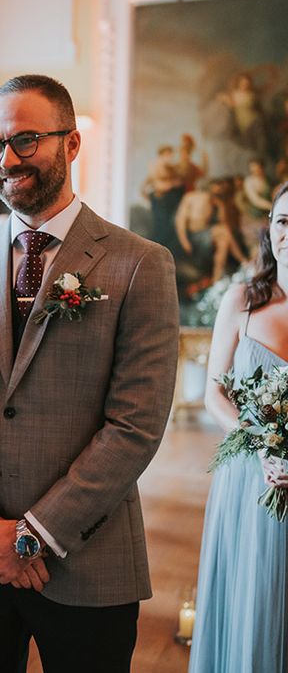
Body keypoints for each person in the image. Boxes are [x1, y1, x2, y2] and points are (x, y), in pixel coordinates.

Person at [0, 74, 179, 673]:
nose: (7, 159)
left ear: (73, 144)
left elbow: (135, 425)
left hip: (88, 561)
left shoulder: (139, 264)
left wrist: (31, 534)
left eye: (26, 140)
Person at [189, 183, 288, 673]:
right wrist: (264, 443)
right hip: (251, 473)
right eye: (283, 221)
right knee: (253, 593)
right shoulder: (243, 299)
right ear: (270, 229)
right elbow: (214, 394)